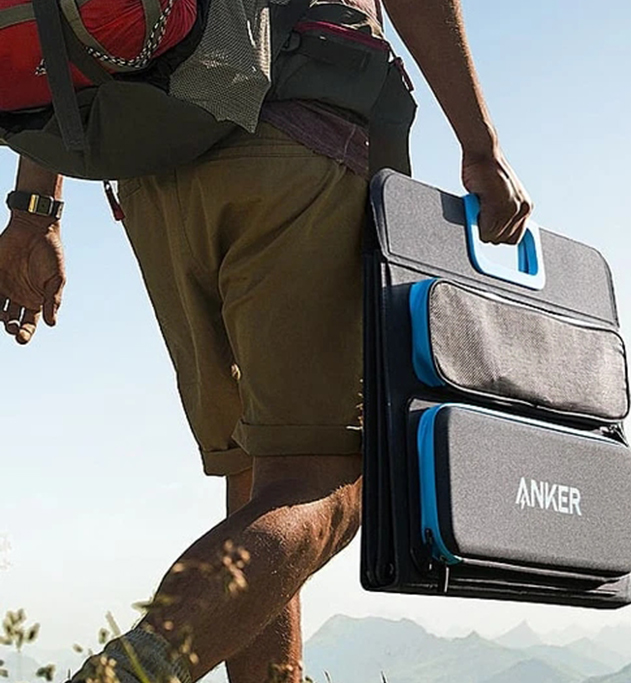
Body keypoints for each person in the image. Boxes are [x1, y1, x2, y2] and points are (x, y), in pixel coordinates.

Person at [0, 0, 532, 681]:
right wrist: (481, 148)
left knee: (262, 482)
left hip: (149, 166)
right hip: (293, 135)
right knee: (332, 479)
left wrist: (35, 210)